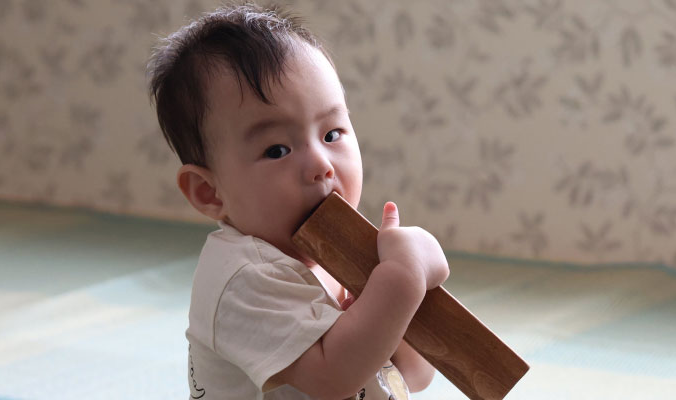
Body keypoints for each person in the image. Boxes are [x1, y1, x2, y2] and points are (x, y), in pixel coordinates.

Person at [147, 3, 450, 399]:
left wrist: (400, 292)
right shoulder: (241, 278)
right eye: (277, 150)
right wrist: (404, 278)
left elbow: (410, 375)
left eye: (332, 134)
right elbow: (333, 379)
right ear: (209, 192)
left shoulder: (342, 256)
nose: (321, 165)